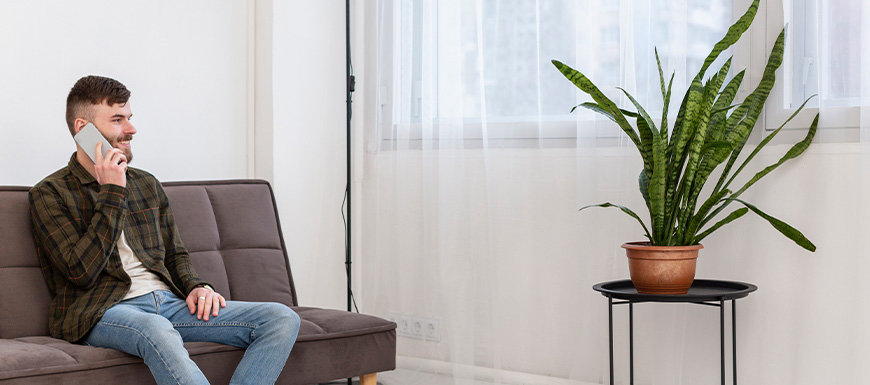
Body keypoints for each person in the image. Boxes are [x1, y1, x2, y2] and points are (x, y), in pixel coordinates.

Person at [28, 75, 300, 385]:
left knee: (280, 319)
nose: (131, 129)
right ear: (83, 129)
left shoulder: (145, 183)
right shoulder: (50, 193)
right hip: (99, 312)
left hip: (168, 304)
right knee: (155, 328)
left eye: (129, 118)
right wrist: (112, 193)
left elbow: (175, 253)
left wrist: (198, 286)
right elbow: (80, 272)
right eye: (117, 120)